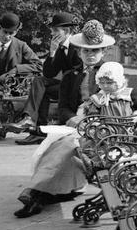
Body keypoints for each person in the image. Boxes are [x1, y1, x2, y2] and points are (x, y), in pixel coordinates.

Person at [15, 21, 130, 218]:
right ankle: (42, 193)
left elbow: (120, 107)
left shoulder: (111, 75)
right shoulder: (71, 76)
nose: (90, 55)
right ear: (79, 53)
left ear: (104, 52)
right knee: (55, 144)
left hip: (103, 132)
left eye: (96, 51)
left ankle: (36, 193)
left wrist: (90, 121)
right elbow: (63, 108)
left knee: (67, 145)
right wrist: (73, 119)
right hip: (74, 125)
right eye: (86, 51)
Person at [8, 12, 85, 145]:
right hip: (64, 86)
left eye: (55, 30)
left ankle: (37, 129)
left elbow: (80, 73)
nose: (52, 34)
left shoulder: (78, 47)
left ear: (66, 31)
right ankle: (35, 127)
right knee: (40, 83)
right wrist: (52, 52)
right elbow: (48, 73)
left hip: (75, 89)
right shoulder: (60, 48)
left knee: (42, 86)